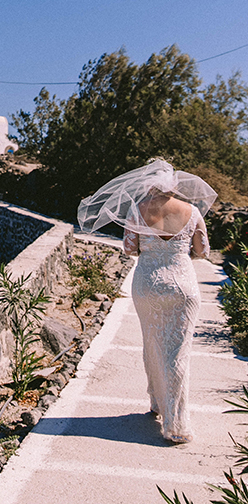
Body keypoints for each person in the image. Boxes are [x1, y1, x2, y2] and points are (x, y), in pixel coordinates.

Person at [77, 160, 216, 444]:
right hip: (182, 286)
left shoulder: (137, 210)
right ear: (174, 184)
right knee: (178, 350)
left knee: (152, 342)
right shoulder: (193, 212)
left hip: (148, 284)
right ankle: (176, 423)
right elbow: (203, 251)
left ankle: (157, 403)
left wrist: (150, 247)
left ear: (148, 183)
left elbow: (129, 249)